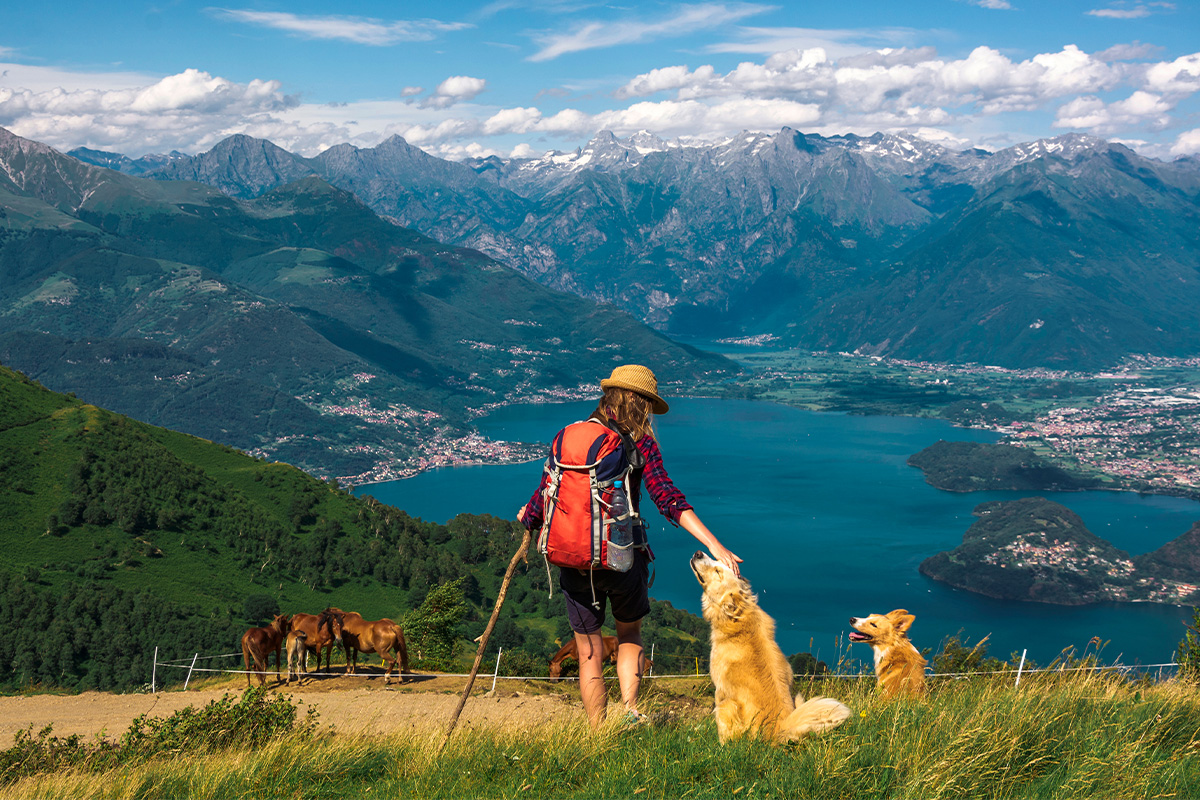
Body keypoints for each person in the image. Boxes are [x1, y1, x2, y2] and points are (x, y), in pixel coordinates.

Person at [517, 364, 742, 728]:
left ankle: (597, 734)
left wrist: (528, 519)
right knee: (629, 635)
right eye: (648, 405)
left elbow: (545, 495)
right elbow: (666, 497)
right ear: (639, 402)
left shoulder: (571, 436)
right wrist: (716, 545)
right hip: (623, 559)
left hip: (574, 561)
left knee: (588, 652)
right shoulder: (637, 441)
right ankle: (631, 713)